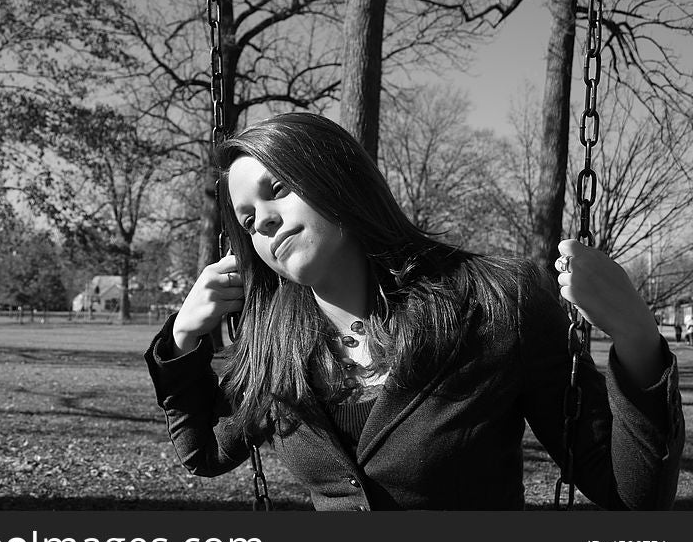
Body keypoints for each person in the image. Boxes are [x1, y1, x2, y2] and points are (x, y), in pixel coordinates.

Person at [144, 112, 683, 510]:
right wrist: (184, 337)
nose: (261, 221)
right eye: (246, 217)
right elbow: (207, 451)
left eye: (277, 189)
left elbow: (629, 497)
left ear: (337, 177)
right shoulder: (276, 340)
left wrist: (637, 339)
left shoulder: (493, 303)